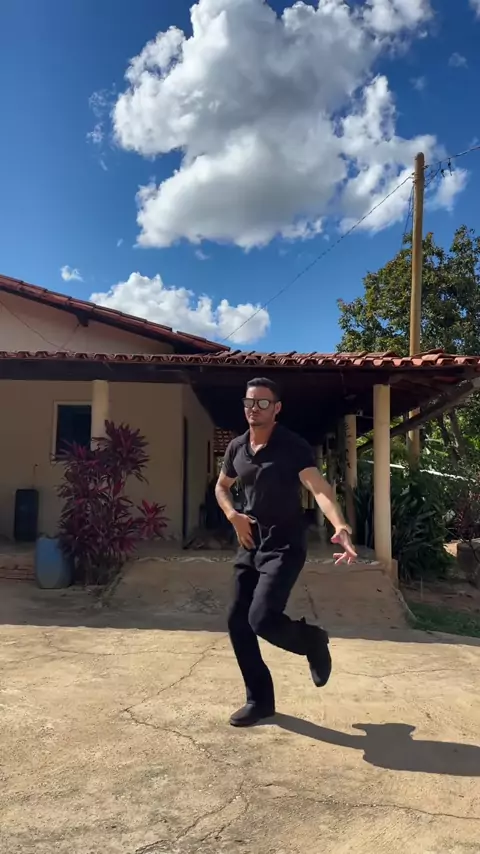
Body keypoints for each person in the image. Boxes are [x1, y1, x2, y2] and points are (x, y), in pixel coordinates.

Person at [215, 377, 357, 728]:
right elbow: (222, 486)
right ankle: (259, 701)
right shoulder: (237, 447)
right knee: (237, 620)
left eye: (263, 403)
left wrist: (339, 525)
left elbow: (319, 488)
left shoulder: (293, 446)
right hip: (251, 543)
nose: (254, 408)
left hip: (285, 545)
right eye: (249, 402)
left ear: (276, 408)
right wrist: (233, 515)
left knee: (261, 618)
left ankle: (313, 641)